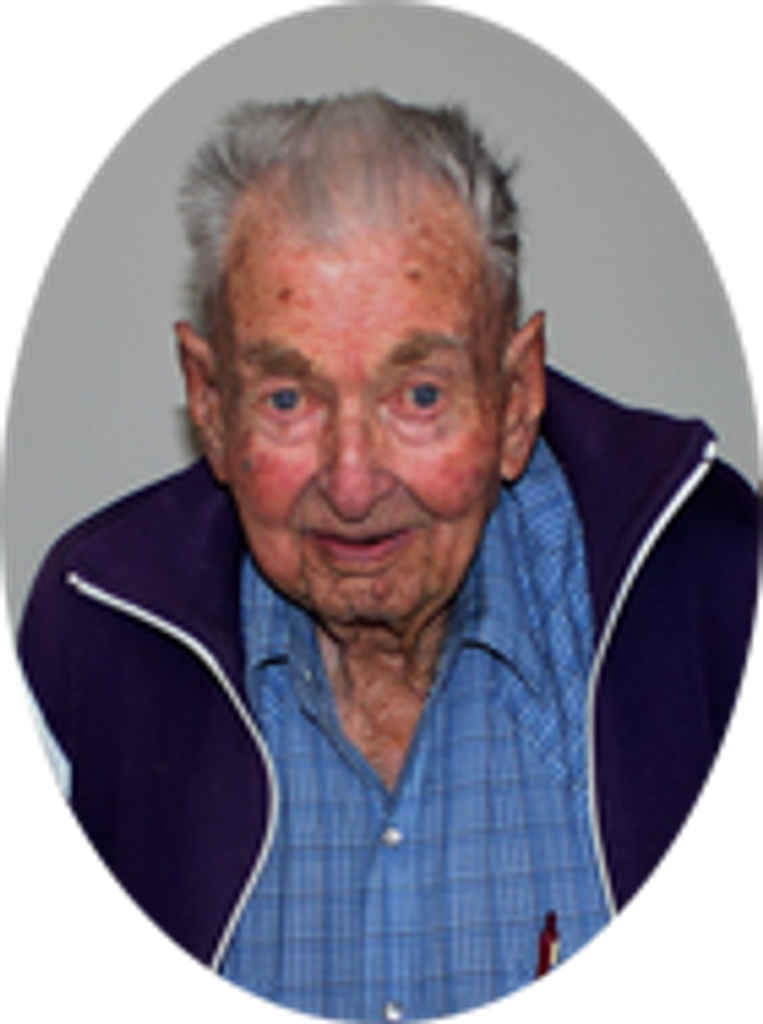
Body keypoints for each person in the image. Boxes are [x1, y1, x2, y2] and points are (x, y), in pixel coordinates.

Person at [16, 93, 761, 1020]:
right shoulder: (91, 644)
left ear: (516, 398)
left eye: (419, 395)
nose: (353, 483)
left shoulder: (716, 593)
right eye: (288, 399)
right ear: (209, 403)